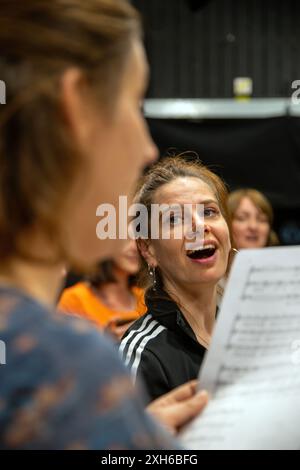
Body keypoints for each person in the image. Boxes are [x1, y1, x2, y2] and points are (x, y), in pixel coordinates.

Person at [0, 0, 208, 449]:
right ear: (77, 110)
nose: (148, 148)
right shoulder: (63, 365)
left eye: (210, 211)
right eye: (134, 103)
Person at [120, 156, 233, 402]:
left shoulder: (246, 332)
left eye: (209, 211)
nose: (199, 226)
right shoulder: (143, 354)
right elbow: (114, 442)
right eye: (174, 219)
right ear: (148, 249)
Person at [59, 240, 146, 340]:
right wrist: (105, 341)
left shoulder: (146, 298)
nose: (135, 247)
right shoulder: (73, 300)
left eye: (138, 239)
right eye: (125, 239)